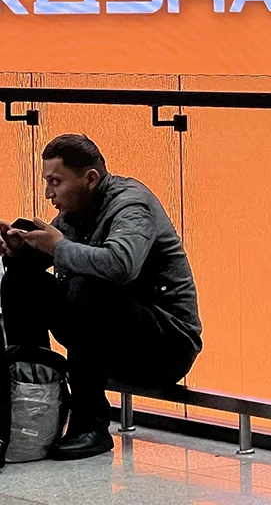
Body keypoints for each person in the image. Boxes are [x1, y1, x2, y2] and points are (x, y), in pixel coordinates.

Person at [0, 135, 202, 459]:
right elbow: (54, 258)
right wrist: (18, 250)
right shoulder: (75, 211)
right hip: (115, 337)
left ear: (90, 178)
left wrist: (57, 246)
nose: (48, 193)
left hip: (166, 346)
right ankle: (34, 408)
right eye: (47, 182)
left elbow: (121, 265)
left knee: (87, 287)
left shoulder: (131, 205)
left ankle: (90, 425)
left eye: (55, 182)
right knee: (20, 282)